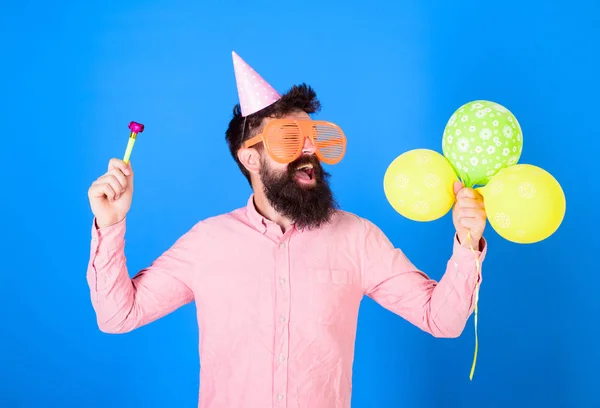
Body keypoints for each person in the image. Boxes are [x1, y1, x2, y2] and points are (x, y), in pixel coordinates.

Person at [86, 51, 488, 408]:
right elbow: (119, 316)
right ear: (250, 158)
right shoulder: (206, 243)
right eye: (290, 140)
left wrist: (467, 241)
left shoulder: (357, 238)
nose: (309, 152)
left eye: (314, 139)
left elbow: (443, 320)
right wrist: (111, 223)